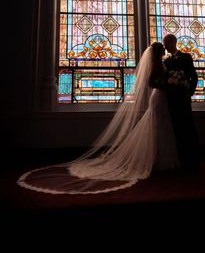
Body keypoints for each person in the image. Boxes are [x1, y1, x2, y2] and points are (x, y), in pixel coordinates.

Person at [17, 43, 179, 195]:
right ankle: (158, 160)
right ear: (158, 51)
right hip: (159, 96)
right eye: (162, 48)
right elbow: (152, 82)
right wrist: (166, 85)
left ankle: (159, 158)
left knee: (159, 124)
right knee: (157, 124)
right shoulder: (157, 64)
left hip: (160, 97)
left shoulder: (159, 62)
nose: (165, 50)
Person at [162, 34, 199, 172]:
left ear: (172, 42)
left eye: (165, 43)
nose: (164, 46)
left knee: (187, 125)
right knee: (175, 126)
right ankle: (179, 157)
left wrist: (190, 91)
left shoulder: (185, 57)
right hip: (170, 98)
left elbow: (193, 75)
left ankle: (191, 159)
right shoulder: (166, 61)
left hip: (182, 97)